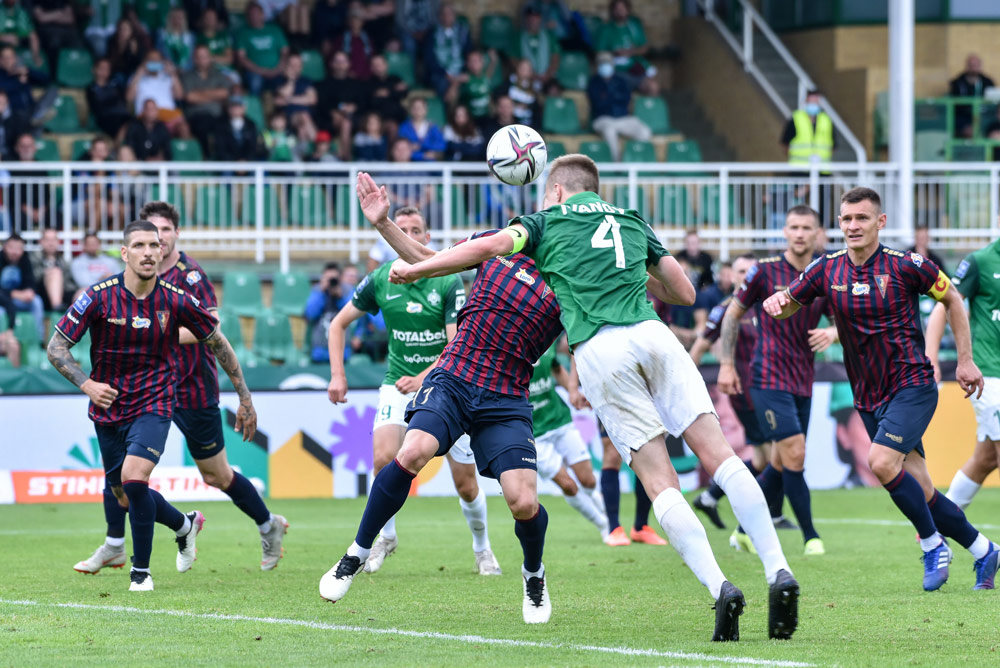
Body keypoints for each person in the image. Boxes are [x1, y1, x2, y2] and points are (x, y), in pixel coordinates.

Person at [382, 154, 800, 641]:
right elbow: (684, 293)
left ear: (558, 190)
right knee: (720, 455)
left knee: (659, 480)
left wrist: (414, 268)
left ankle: (720, 586)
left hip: (602, 347)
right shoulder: (631, 220)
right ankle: (778, 569)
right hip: (654, 334)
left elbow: (488, 247)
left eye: (546, 193)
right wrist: (624, 271)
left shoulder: (544, 222)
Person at [320, 173, 563, 624]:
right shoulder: (496, 245)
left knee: (523, 502)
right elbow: (431, 259)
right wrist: (382, 223)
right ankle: (356, 552)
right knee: (410, 451)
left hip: (506, 396)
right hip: (454, 377)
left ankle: (533, 573)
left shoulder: (568, 284)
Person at [763, 186, 999, 591]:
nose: (853, 226)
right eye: (847, 219)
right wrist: (776, 304)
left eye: (862, 218)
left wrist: (964, 360)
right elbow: (790, 303)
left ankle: (932, 545)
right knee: (922, 489)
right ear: (839, 223)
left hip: (912, 384)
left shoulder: (908, 265)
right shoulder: (826, 269)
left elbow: (954, 300)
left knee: (881, 462)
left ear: (880, 222)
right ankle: (984, 550)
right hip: (868, 393)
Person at [47, 219, 257, 592]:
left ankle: (140, 572)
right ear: (124, 253)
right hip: (108, 406)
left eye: (154, 245)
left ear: (162, 252)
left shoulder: (177, 299)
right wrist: (87, 384)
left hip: (155, 401)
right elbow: (56, 347)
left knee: (134, 477)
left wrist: (245, 397)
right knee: (123, 494)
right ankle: (184, 525)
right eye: (139, 246)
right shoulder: (98, 296)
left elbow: (218, 342)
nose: (148, 252)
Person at [325, 203, 501, 577]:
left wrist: (423, 377)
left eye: (415, 230)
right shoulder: (380, 279)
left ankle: (482, 548)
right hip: (398, 383)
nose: (407, 236)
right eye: (400, 229)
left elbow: (457, 344)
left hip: (447, 384)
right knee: (382, 459)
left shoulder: (447, 280)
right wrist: (337, 375)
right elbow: (337, 325)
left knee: (466, 484)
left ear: (427, 237)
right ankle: (385, 537)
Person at [717, 206, 836, 556]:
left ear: (817, 233)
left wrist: (833, 332)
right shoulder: (764, 270)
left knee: (782, 462)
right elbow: (732, 315)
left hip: (803, 378)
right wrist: (726, 364)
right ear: (784, 231)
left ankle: (742, 530)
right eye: (793, 227)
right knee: (795, 453)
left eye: (806, 228)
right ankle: (811, 537)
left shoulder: (825, 272)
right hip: (767, 376)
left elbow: (843, 319)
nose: (799, 234)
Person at [690, 254, 790, 530]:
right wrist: (684, 386)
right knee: (775, 454)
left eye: (750, 271)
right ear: (732, 276)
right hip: (743, 392)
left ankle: (710, 497)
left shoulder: (767, 305)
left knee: (763, 458)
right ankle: (772, 516)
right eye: (741, 271)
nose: (746, 276)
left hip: (770, 388)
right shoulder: (725, 310)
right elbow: (699, 346)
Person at [926, 224, 1000, 515]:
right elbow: (943, 305)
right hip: (990, 375)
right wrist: (931, 358)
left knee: (985, 459)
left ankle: (937, 524)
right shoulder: (980, 262)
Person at [529, 342, 608, 537]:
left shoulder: (543, 342)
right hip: (533, 434)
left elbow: (556, 368)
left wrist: (573, 392)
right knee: (568, 485)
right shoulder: (504, 351)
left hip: (560, 421)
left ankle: (609, 517)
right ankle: (604, 526)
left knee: (588, 481)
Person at [589, 419, 666, 547]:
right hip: (612, 406)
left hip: (645, 406)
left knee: (645, 453)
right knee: (612, 454)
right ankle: (614, 528)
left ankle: (641, 527)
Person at [587, 51, 651, 162]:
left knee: (645, 132)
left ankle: (629, 158)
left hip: (622, 118)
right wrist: (614, 97)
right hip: (603, 119)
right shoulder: (593, 82)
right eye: (602, 63)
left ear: (612, 64)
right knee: (609, 131)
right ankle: (617, 165)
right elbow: (598, 103)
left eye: (607, 63)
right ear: (597, 65)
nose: (605, 66)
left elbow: (626, 99)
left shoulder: (620, 81)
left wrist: (608, 97)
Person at [181, 44, 233, 151]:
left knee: (228, 126)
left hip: (217, 115)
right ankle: (206, 157)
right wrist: (215, 95)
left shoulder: (218, 74)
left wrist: (199, 93)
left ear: (210, 57)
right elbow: (190, 97)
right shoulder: (187, 76)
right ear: (194, 59)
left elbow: (225, 93)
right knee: (202, 126)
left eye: (205, 56)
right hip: (197, 116)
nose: (203, 60)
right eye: (200, 57)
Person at [235, 1, 288, 96]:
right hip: (255, 72)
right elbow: (241, 58)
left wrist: (279, 68)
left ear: (263, 15)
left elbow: (285, 52)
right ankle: (255, 105)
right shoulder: (243, 33)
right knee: (255, 82)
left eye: (256, 13)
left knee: (285, 85)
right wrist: (260, 71)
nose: (254, 16)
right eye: (251, 14)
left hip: (277, 70)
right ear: (247, 17)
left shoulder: (275, 30)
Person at [422, 3, 469, 99]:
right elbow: (429, 58)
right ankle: (447, 107)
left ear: (454, 16)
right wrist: (445, 74)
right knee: (442, 84)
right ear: (439, 17)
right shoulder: (432, 33)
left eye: (449, 14)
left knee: (468, 82)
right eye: (443, 14)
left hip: (460, 70)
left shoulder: (462, 32)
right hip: (439, 72)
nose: (446, 17)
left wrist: (461, 74)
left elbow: (468, 52)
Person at [0, 232, 42, 336]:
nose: (15, 252)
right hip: (2, 301)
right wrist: (13, 293)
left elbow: (31, 282)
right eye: (11, 248)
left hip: (19, 300)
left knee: (36, 302)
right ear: (5, 247)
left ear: (22, 249)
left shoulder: (25, 260)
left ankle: (38, 339)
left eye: (18, 248)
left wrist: (30, 292)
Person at [126, 50, 184, 125]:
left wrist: (173, 74)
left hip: (168, 114)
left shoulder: (168, 76)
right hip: (146, 115)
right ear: (145, 61)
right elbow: (129, 98)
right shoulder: (137, 77)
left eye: (157, 60)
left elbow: (179, 96)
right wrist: (139, 74)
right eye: (151, 59)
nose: (154, 62)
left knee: (183, 126)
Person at [305, 260, 346, 362]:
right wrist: (321, 292)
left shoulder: (346, 290)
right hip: (319, 349)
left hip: (342, 349)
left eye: (334, 279)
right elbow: (310, 314)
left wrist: (340, 297)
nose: (331, 282)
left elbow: (353, 314)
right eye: (328, 278)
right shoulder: (317, 291)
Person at [273, 51, 317, 144]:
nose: (295, 67)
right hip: (287, 115)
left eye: (297, 65)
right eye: (292, 65)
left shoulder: (306, 80)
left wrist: (290, 99)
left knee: (302, 127)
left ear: (301, 66)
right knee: (304, 116)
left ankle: (309, 149)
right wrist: (291, 80)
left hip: (306, 115)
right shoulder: (278, 79)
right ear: (286, 65)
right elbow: (283, 96)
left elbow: (312, 99)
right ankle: (317, 146)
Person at [781, 90, 834, 167]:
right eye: (811, 102)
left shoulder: (826, 120)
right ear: (806, 102)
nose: (813, 104)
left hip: (821, 167)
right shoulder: (796, 118)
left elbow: (833, 145)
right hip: (799, 167)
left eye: (815, 102)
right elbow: (785, 143)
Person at [29, 227, 77, 311]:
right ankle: (57, 308)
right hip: (40, 293)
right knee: (55, 272)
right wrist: (48, 271)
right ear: (41, 241)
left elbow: (69, 284)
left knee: (82, 292)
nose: (50, 243)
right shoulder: (33, 257)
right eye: (47, 240)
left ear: (58, 241)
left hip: (63, 293)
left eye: (53, 240)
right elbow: (33, 278)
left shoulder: (62, 260)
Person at [950, 54, 995, 138]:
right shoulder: (957, 82)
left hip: (984, 116)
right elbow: (955, 105)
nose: (973, 68)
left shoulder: (987, 82)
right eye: (971, 65)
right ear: (967, 66)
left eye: (976, 65)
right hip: (964, 117)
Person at [87, 58, 131, 138]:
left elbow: (123, 101)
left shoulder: (115, 85)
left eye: (107, 69)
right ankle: (118, 142)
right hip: (107, 119)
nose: (104, 71)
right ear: (94, 69)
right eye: (101, 68)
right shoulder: (91, 89)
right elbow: (97, 109)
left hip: (122, 116)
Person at [515, 6, 560, 86]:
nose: (533, 20)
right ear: (526, 19)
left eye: (536, 17)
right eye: (531, 17)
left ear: (541, 19)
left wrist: (548, 74)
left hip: (547, 78)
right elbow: (513, 59)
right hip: (526, 78)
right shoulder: (518, 37)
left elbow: (556, 57)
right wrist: (530, 74)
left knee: (553, 89)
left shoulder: (549, 35)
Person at [212, 95, 263, 161]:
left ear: (244, 108)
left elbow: (253, 147)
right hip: (227, 162)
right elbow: (220, 148)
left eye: (238, 106)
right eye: (233, 106)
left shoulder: (251, 125)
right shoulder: (220, 125)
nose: (235, 109)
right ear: (228, 108)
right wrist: (235, 162)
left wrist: (245, 160)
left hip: (248, 163)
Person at [398, 96, 445, 162]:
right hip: (410, 163)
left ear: (425, 110)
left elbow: (441, 145)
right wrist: (422, 155)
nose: (417, 111)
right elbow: (400, 150)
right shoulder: (404, 127)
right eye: (414, 108)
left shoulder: (432, 127)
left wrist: (421, 146)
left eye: (420, 108)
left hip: (430, 164)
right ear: (410, 110)